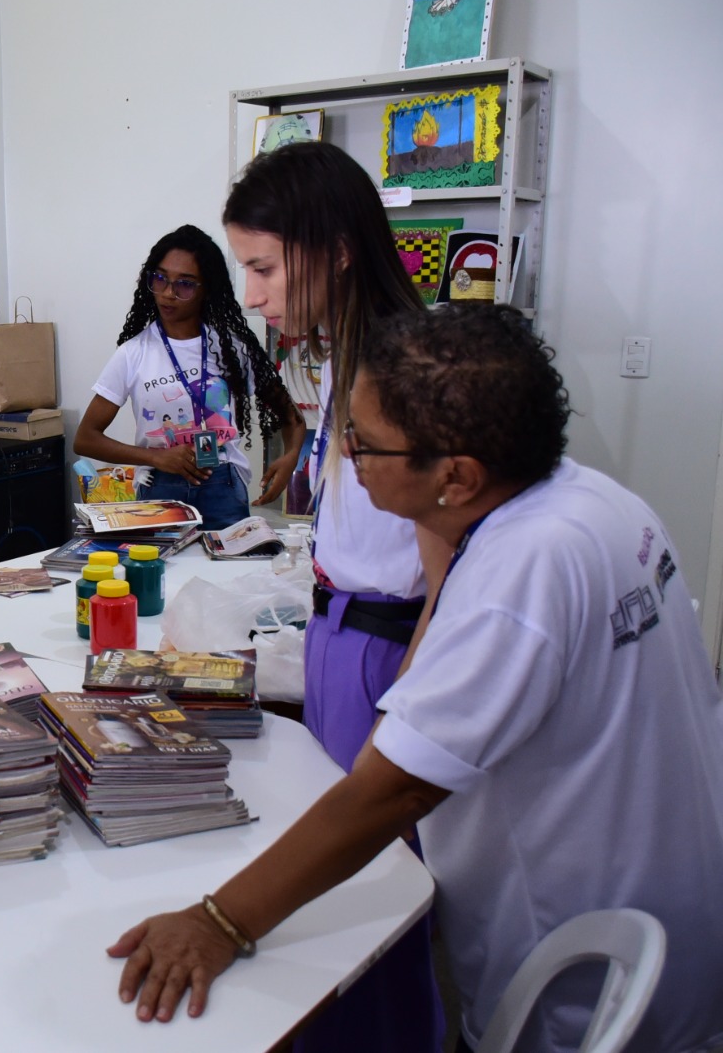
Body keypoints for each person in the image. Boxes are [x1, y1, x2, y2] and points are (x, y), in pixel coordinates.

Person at [108, 303, 723, 1053]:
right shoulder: (589, 498)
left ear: (457, 475)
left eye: (366, 446)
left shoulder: (520, 576)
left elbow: (393, 790)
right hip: (672, 914)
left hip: (580, 974)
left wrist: (218, 922)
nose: (349, 458)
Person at [221, 142, 439, 1050]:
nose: (256, 295)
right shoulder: (343, 360)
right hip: (341, 640)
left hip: (387, 655)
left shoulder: (405, 374)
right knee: (338, 870)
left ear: (339, 249)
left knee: (368, 884)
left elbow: (447, 571)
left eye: (266, 268)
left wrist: (409, 705)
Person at [74, 224, 305, 531]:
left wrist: (290, 458)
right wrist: (156, 458)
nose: (168, 293)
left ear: (205, 289)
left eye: (184, 284)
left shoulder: (232, 349)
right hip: (159, 490)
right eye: (160, 279)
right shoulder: (134, 353)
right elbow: (86, 438)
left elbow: (291, 417)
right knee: (164, 576)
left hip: (223, 485)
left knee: (228, 577)